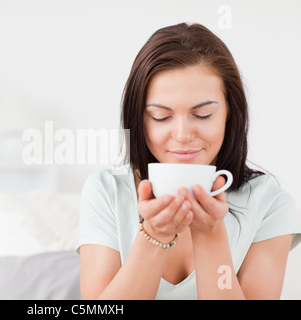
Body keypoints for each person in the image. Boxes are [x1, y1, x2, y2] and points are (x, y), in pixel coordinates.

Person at [77, 22, 301, 300]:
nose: (182, 135)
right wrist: (154, 236)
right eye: (161, 116)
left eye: (203, 115)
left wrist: (210, 235)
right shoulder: (107, 193)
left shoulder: (269, 203)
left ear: (230, 114)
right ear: (138, 119)